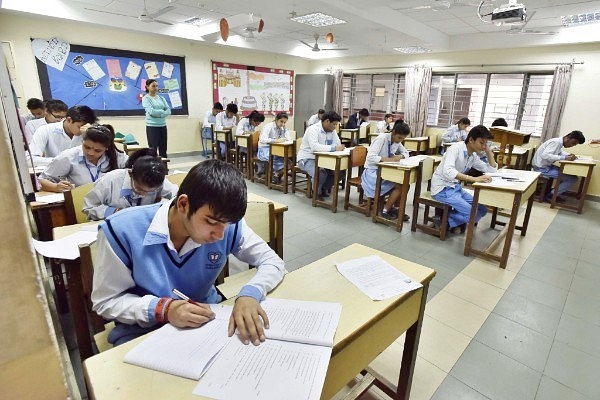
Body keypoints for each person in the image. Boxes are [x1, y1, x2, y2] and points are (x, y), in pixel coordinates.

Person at [91, 159, 287, 346]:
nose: (220, 235)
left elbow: (273, 262)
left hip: (208, 320)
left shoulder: (227, 224)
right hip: (144, 331)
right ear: (183, 204)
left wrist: (250, 294)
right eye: (211, 222)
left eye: (226, 225)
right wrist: (164, 309)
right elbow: (106, 301)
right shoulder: (121, 231)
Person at [431, 125, 498, 234]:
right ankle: (446, 222)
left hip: (455, 188)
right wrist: (474, 179)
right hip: (442, 188)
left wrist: (489, 153)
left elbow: (491, 170)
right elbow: (448, 171)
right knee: (472, 212)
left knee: (482, 209)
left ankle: (444, 222)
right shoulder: (455, 149)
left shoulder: (473, 156)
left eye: (485, 143)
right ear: (471, 140)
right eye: (482, 143)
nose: (484, 146)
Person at [83, 151, 177, 220]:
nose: (143, 194)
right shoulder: (111, 180)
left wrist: (165, 205)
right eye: (139, 189)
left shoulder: (157, 179)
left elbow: (177, 196)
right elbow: (89, 207)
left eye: (149, 192)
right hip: (114, 225)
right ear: (131, 173)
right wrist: (114, 211)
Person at [39, 124, 128, 192]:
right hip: (81, 204)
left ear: (107, 148)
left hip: (112, 202)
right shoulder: (68, 157)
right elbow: (41, 180)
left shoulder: (117, 157)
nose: (90, 153)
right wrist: (56, 187)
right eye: (87, 147)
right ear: (82, 141)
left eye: (97, 150)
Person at [362, 121, 411, 221]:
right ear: (393, 132)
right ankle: (385, 210)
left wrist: (400, 156)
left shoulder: (397, 141)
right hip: (372, 172)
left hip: (385, 171)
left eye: (403, 139)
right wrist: (391, 160)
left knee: (406, 184)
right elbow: (371, 157)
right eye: (399, 138)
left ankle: (394, 208)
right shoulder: (382, 139)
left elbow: (406, 153)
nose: (400, 141)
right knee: (400, 185)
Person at [297, 111, 345, 200]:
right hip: (307, 158)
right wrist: (333, 148)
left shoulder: (332, 130)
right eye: (334, 124)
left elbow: (337, 143)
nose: (335, 127)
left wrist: (334, 147)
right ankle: (316, 192)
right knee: (320, 172)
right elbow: (315, 147)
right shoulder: (313, 129)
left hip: (323, 158)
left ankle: (323, 187)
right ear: (327, 121)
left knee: (341, 172)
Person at [29, 105, 97, 166]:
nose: (82, 130)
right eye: (80, 127)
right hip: (55, 174)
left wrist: (90, 136)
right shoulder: (45, 130)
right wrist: (61, 161)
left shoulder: (88, 131)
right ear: (69, 120)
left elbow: (101, 158)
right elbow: (30, 160)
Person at [532, 130, 586, 203]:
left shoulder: (558, 143)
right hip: (541, 169)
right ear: (567, 138)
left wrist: (568, 155)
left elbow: (560, 152)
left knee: (566, 173)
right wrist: (564, 158)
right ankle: (551, 195)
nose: (572, 146)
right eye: (573, 143)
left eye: (574, 145)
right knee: (572, 179)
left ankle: (554, 193)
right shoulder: (556, 142)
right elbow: (545, 155)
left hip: (547, 167)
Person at [258, 112, 292, 183]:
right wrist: (275, 141)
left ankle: (276, 175)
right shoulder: (268, 126)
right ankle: (273, 175)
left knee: (290, 163)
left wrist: (285, 130)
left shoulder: (282, 128)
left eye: (284, 122)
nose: (282, 124)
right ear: (276, 119)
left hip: (276, 149)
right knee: (276, 159)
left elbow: (288, 139)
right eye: (281, 121)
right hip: (264, 149)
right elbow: (262, 139)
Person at [142, 79, 171, 158]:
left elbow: (168, 110)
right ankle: (153, 168)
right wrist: (162, 111)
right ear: (147, 87)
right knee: (153, 150)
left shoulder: (161, 98)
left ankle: (164, 168)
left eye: (156, 86)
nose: (155, 88)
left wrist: (160, 114)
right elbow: (151, 112)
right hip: (152, 127)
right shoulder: (146, 98)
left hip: (162, 126)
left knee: (163, 149)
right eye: (153, 86)